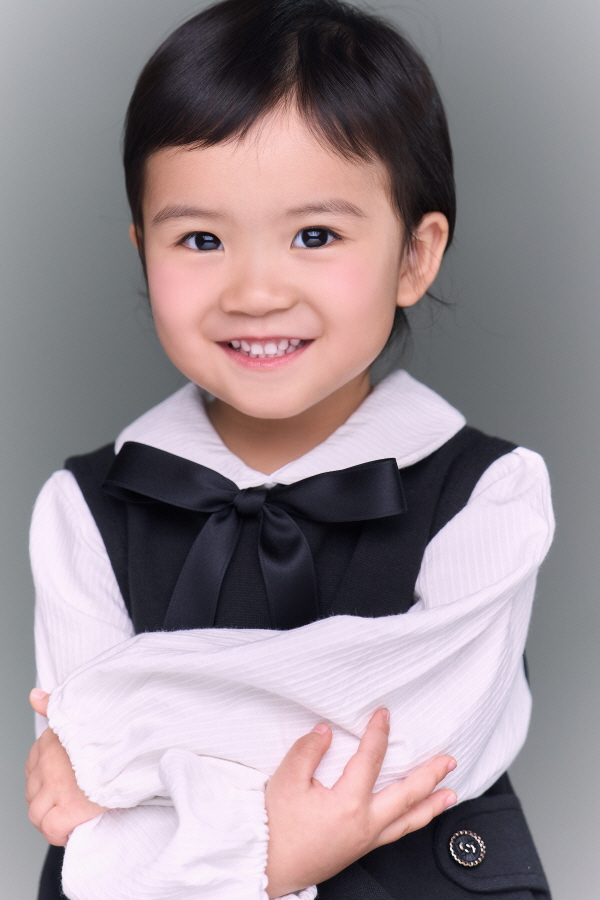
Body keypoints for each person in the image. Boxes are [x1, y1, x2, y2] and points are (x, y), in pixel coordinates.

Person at [24, 0, 554, 898]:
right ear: (143, 251)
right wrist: (123, 759)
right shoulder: (82, 505)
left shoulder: (492, 493)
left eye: (315, 236)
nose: (256, 290)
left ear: (414, 256)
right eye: (200, 238)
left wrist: (129, 734)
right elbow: (84, 793)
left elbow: (420, 737)